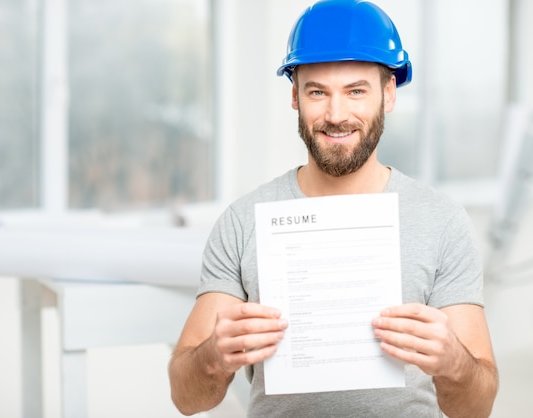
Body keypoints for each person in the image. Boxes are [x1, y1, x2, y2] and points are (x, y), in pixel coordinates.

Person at [168, 0, 499, 417]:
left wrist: (453, 361)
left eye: (356, 91)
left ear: (389, 93)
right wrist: (214, 355)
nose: (336, 114)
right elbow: (186, 397)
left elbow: (477, 407)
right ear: (295, 96)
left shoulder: (441, 221)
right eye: (317, 92)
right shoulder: (242, 222)